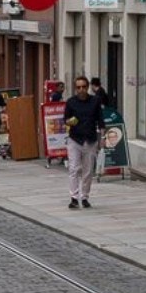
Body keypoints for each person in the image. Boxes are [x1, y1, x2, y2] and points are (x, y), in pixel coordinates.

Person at [63, 76, 103, 209]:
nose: (81, 90)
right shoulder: (71, 102)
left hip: (90, 139)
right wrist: (69, 121)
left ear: (88, 87)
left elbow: (100, 120)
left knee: (88, 171)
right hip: (74, 139)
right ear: (75, 89)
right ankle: (74, 198)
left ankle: (85, 196)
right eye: (78, 87)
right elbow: (65, 119)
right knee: (74, 168)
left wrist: (102, 138)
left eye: (84, 87)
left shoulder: (95, 101)